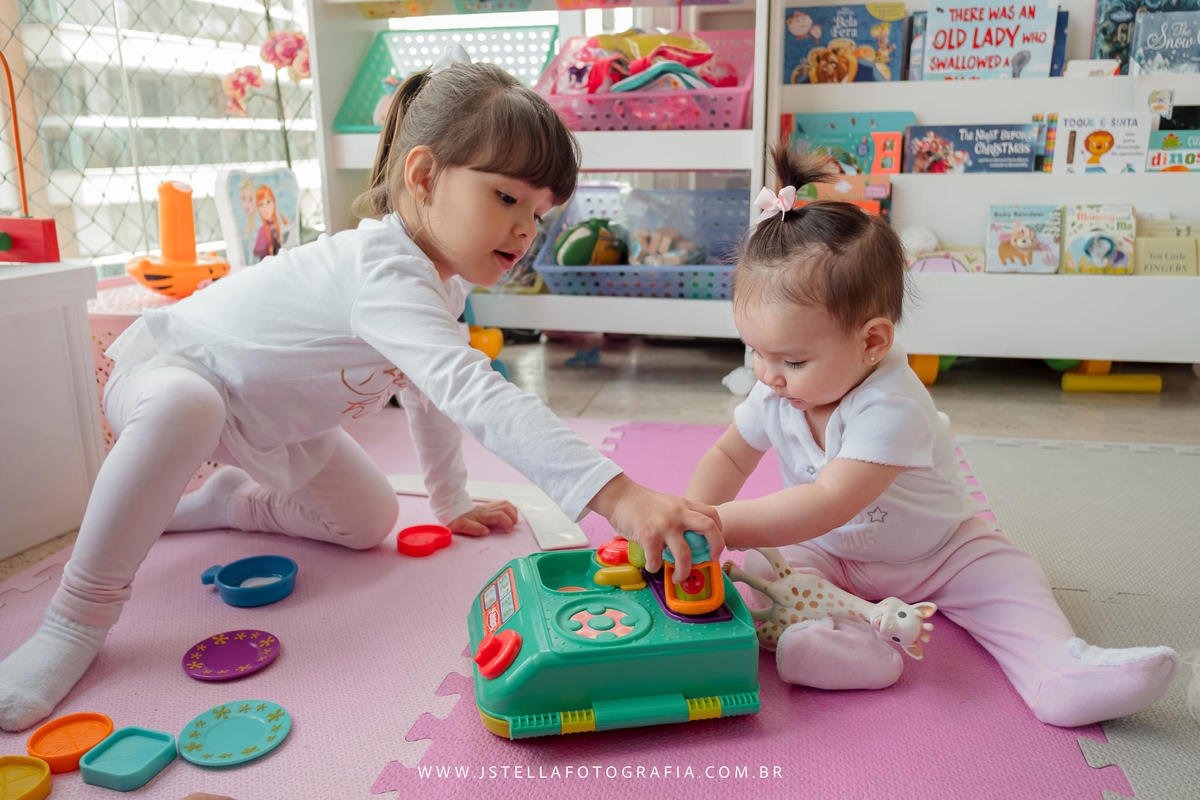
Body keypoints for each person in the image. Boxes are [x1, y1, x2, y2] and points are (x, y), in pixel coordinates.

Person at [0, 53, 721, 733]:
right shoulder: (384, 269)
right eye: (506, 197)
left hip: (273, 422)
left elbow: (430, 396)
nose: (525, 229)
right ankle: (75, 615)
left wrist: (449, 502)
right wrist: (619, 496)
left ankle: (224, 503)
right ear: (424, 174)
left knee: (369, 518)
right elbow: (472, 391)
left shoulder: (443, 285)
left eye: (540, 213)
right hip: (173, 374)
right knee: (192, 407)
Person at [683, 145, 1178, 728]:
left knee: (1011, 576)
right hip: (828, 555)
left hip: (938, 552)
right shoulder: (777, 391)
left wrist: (722, 525)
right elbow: (729, 453)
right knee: (764, 579)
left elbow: (828, 501)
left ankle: (1059, 672)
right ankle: (849, 649)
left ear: (871, 342)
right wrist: (693, 517)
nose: (767, 375)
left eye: (790, 360)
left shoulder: (892, 404)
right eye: (756, 352)